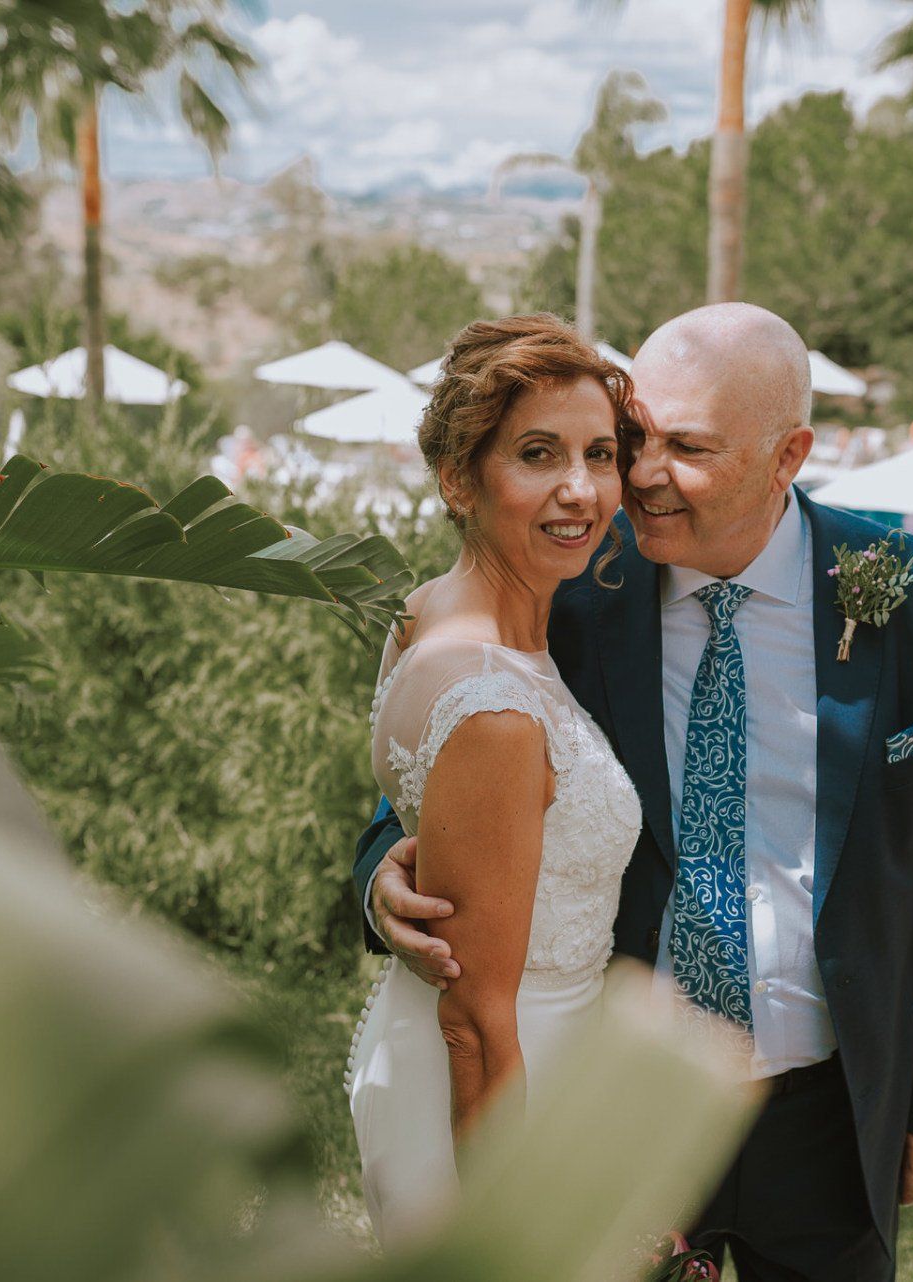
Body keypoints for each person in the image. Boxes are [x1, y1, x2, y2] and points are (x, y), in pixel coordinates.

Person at [350, 303, 913, 1280]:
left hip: (827, 1108)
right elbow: (446, 755)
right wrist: (381, 873)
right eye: (636, 439)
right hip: (616, 1097)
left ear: (787, 456)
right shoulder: (568, 582)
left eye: (689, 448)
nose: (643, 474)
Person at [343, 315, 643, 1244]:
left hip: (474, 1060)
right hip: (496, 1093)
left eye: (600, 455)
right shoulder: (497, 712)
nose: (580, 489)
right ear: (457, 478)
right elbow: (473, 1023)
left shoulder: (423, 610)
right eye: (538, 454)